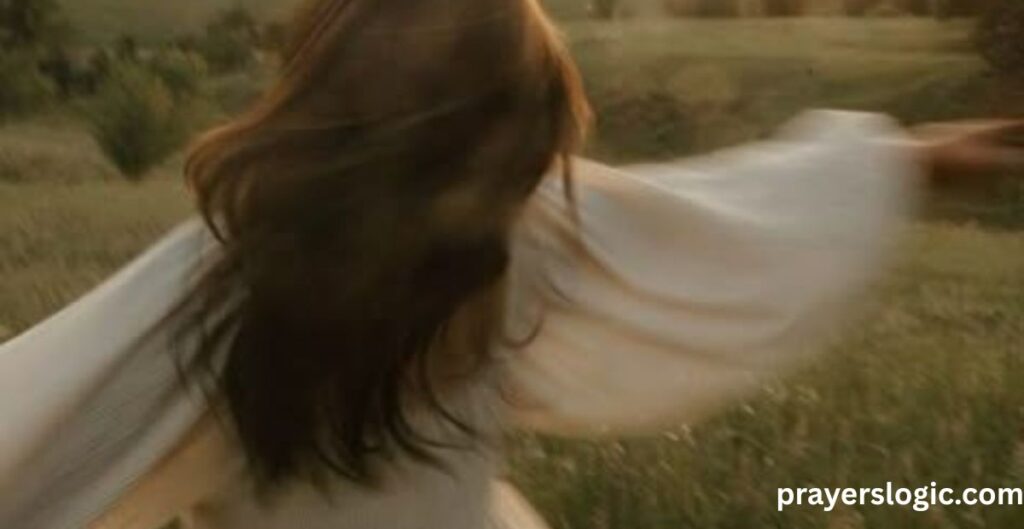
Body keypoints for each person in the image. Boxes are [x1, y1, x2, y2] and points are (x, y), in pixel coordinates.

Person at [1, 0, 1022, 528]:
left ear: (320, 86)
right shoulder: (512, 239)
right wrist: (911, 163)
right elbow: (721, 220)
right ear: (504, 109)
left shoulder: (230, 278)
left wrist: (907, 163)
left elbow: (40, 424)